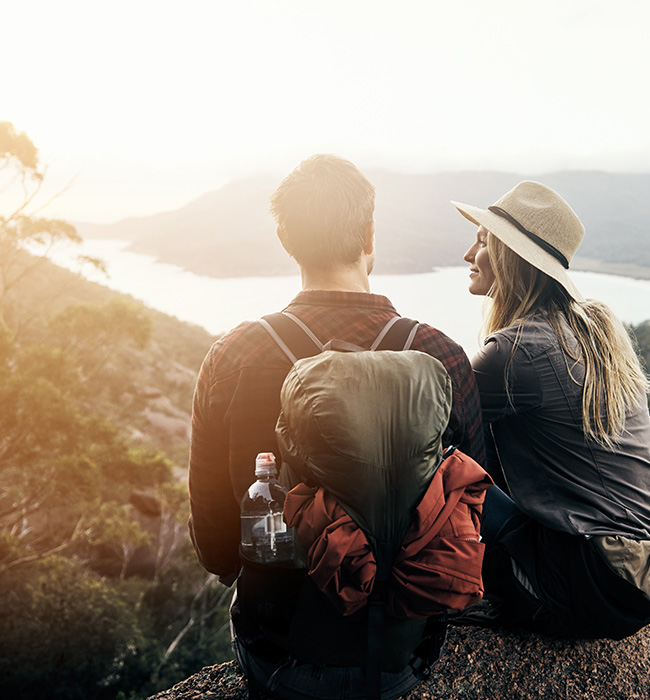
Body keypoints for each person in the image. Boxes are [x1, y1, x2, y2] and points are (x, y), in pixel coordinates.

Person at [188, 154, 485, 699]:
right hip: (403, 649)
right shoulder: (438, 353)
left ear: (285, 239)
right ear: (371, 233)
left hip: (280, 649)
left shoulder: (234, 354)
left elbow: (215, 545)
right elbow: (477, 502)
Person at [451, 180, 650, 639]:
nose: (468, 254)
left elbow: (432, 419)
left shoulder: (517, 350)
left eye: (482, 241)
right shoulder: (590, 333)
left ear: (508, 257)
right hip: (633, 579)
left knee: (438, 458)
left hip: (592, 584)